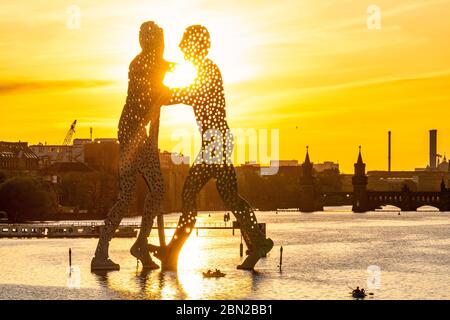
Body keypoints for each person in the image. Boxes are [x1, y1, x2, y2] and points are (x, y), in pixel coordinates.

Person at [151, 25, 273, 270]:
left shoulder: (208, 70)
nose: (182, 48)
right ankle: (257, 243)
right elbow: (186, 93)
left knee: (190, 194)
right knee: (229, 196)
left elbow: (188, 94)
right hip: (216, 141)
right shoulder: (202, 70)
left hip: (216, 143)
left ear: (195, 45)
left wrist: (159, 92)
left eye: (186, 44)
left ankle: (172, 253)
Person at [91, 21, 170, 271]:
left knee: (133, 195)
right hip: (133, 133)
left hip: (134, 132)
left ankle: (110, 250)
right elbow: (150, 101)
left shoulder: (149, 64)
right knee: (154, 189)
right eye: (155, 39)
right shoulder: (142, 65)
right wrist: (167, 89)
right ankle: (138, 245)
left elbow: (155, 106)